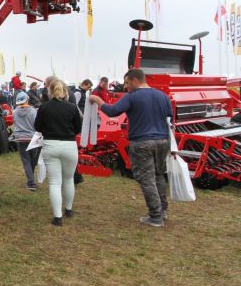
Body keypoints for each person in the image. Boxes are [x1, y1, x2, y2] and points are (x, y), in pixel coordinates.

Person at [90, 68, 173, 227]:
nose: (126, 87)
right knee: (158, 175)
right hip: (163, 140)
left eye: (127, 83)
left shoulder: (132, 97)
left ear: (135, 80)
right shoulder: (163, 96)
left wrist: (98, 100)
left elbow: (113, 111)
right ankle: (162, 210)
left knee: (146, 178)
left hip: (142, 142)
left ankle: (155, 216)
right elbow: (170, 119)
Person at [35, 79, 82, 226]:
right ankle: (68, 209)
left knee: (55, 182)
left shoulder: (44, 107)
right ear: (65, 92)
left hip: (50, 145)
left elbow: (37, 126)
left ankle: (58, 217)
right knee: (68, 179)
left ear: (50, 91)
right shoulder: (73, 108)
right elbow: (77, 128)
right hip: (69, 145)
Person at [13, 91, 40, 190]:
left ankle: (31, 181)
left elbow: (15, 123)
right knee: (33, 160)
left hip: (20, 138)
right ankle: (31, 181)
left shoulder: (15, 112)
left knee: (26, 161)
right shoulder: (33, 111)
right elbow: (36, 125)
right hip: (32, 138)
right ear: (27, 99)